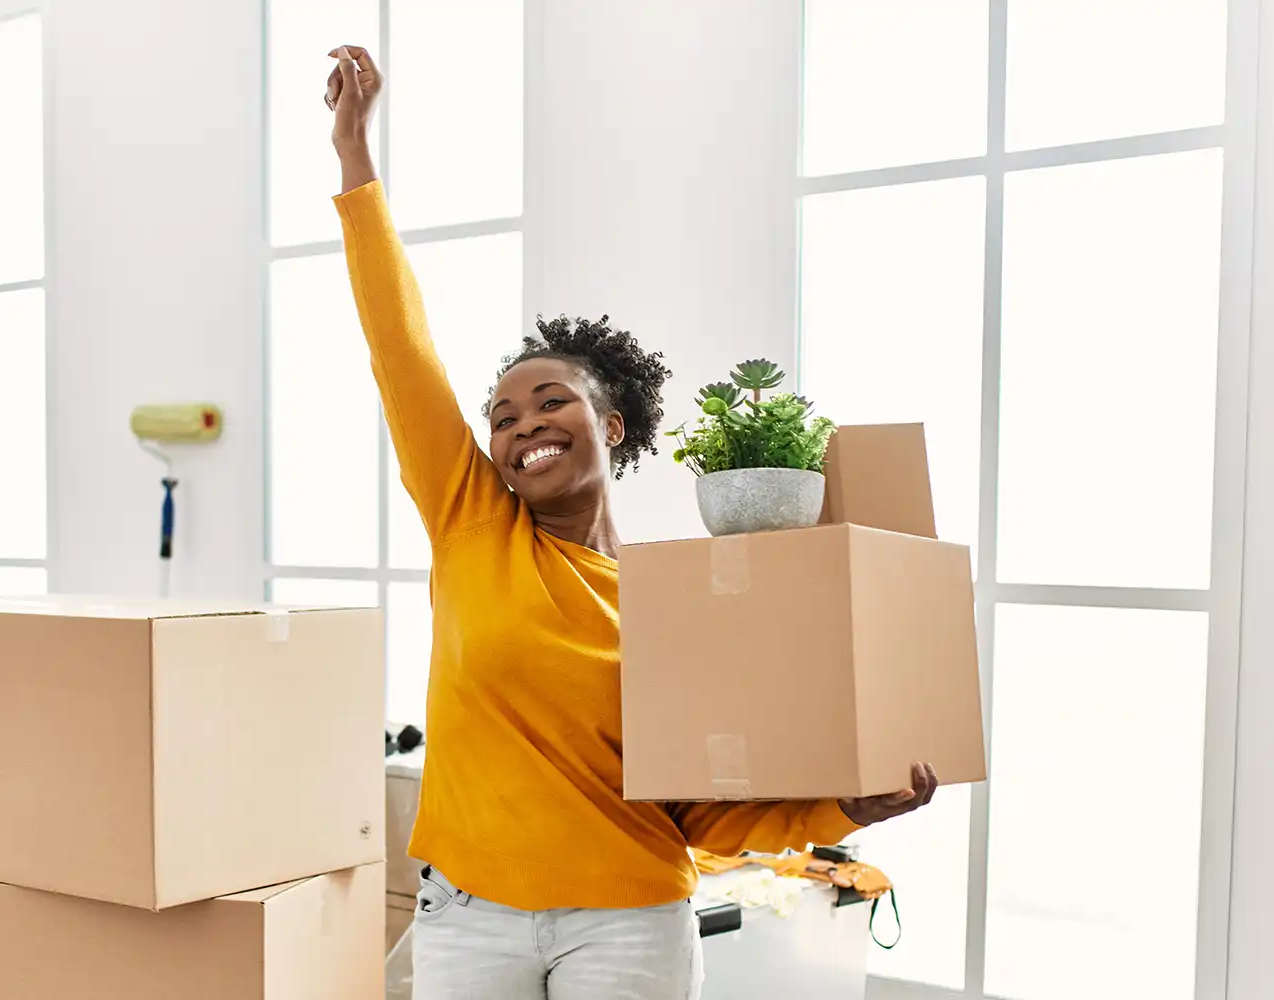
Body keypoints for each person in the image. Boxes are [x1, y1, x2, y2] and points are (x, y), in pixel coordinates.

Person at [323, 44, 938, 999]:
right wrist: (355, 158)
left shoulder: (677, 599)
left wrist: (841, 807)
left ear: (610, 425)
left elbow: (703, 806)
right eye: (503, 416)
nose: (524, 423)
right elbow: (400, 348)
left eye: (551, 402)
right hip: (469, 917)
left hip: (629, 918)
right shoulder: (471, 525)